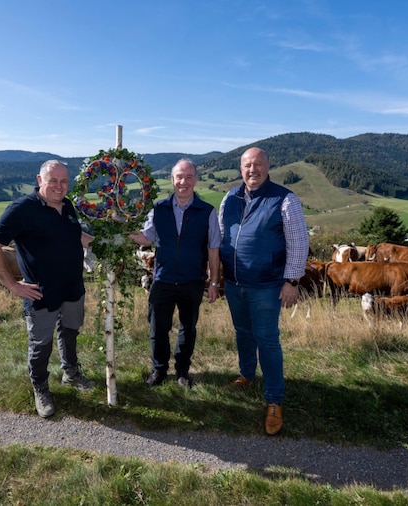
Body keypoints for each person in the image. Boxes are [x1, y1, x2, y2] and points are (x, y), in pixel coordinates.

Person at [0, 159, 96, 418]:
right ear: (39, 180)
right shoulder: (22, 209)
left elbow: (76, 236)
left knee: (70, 332)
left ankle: (71, 374)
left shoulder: (66, 206)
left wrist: (104, 244)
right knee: (41, 343)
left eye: (64, 181)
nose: (59, 186)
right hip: (40, 292)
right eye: (53, 180)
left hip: (73, 287)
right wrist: (12, 285)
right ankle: (40, 388)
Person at [218, 147, 309, 435]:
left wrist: (292, 281)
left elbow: (299, 242)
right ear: (240, 168)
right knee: (242, 332)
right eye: (247, 165)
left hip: (267, 286)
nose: (252, 170)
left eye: (258, 164)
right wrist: (217, 276)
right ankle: (246, 374)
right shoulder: (230, 198)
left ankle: (273, 399)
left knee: (267, 340)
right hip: (234, 283)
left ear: (268, 166)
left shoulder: (285, 199)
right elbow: (221, 236)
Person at [129, 159, 221, 389]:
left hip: (192, 281)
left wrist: (214, 282)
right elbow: (146, 238)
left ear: (196, 180)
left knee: (187, 329)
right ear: (172, 180)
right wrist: (121, 230)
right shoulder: (159, 209)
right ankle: (159, 370)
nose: (184, 182)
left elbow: (213, 249)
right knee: (157, 328)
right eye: (179, 177)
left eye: (189, 177)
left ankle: (182, 371)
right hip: (162, 279)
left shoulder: (207, 212)